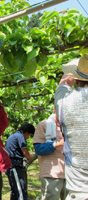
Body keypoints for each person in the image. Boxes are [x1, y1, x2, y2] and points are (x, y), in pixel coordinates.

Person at [54, 53, 88, 200]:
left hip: (79, 190)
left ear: (77, 79)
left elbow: (63, 86)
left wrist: (73, 71)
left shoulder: (64, 102)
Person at [33, 113, 67, 200]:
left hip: (71, 173)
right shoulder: (44, 125)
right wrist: (57, 144)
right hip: (52, 174)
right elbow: (39, 149)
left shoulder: (72, 125)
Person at [5, 123, 35, 200]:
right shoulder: (20, 136)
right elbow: (25, 152)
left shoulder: (14, 135)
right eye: (29, 135)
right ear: (27, 132)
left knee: (15, 192)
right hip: (14, 166)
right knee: (21, 191)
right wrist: (31, 158)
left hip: (12, 165)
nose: (28, 138)